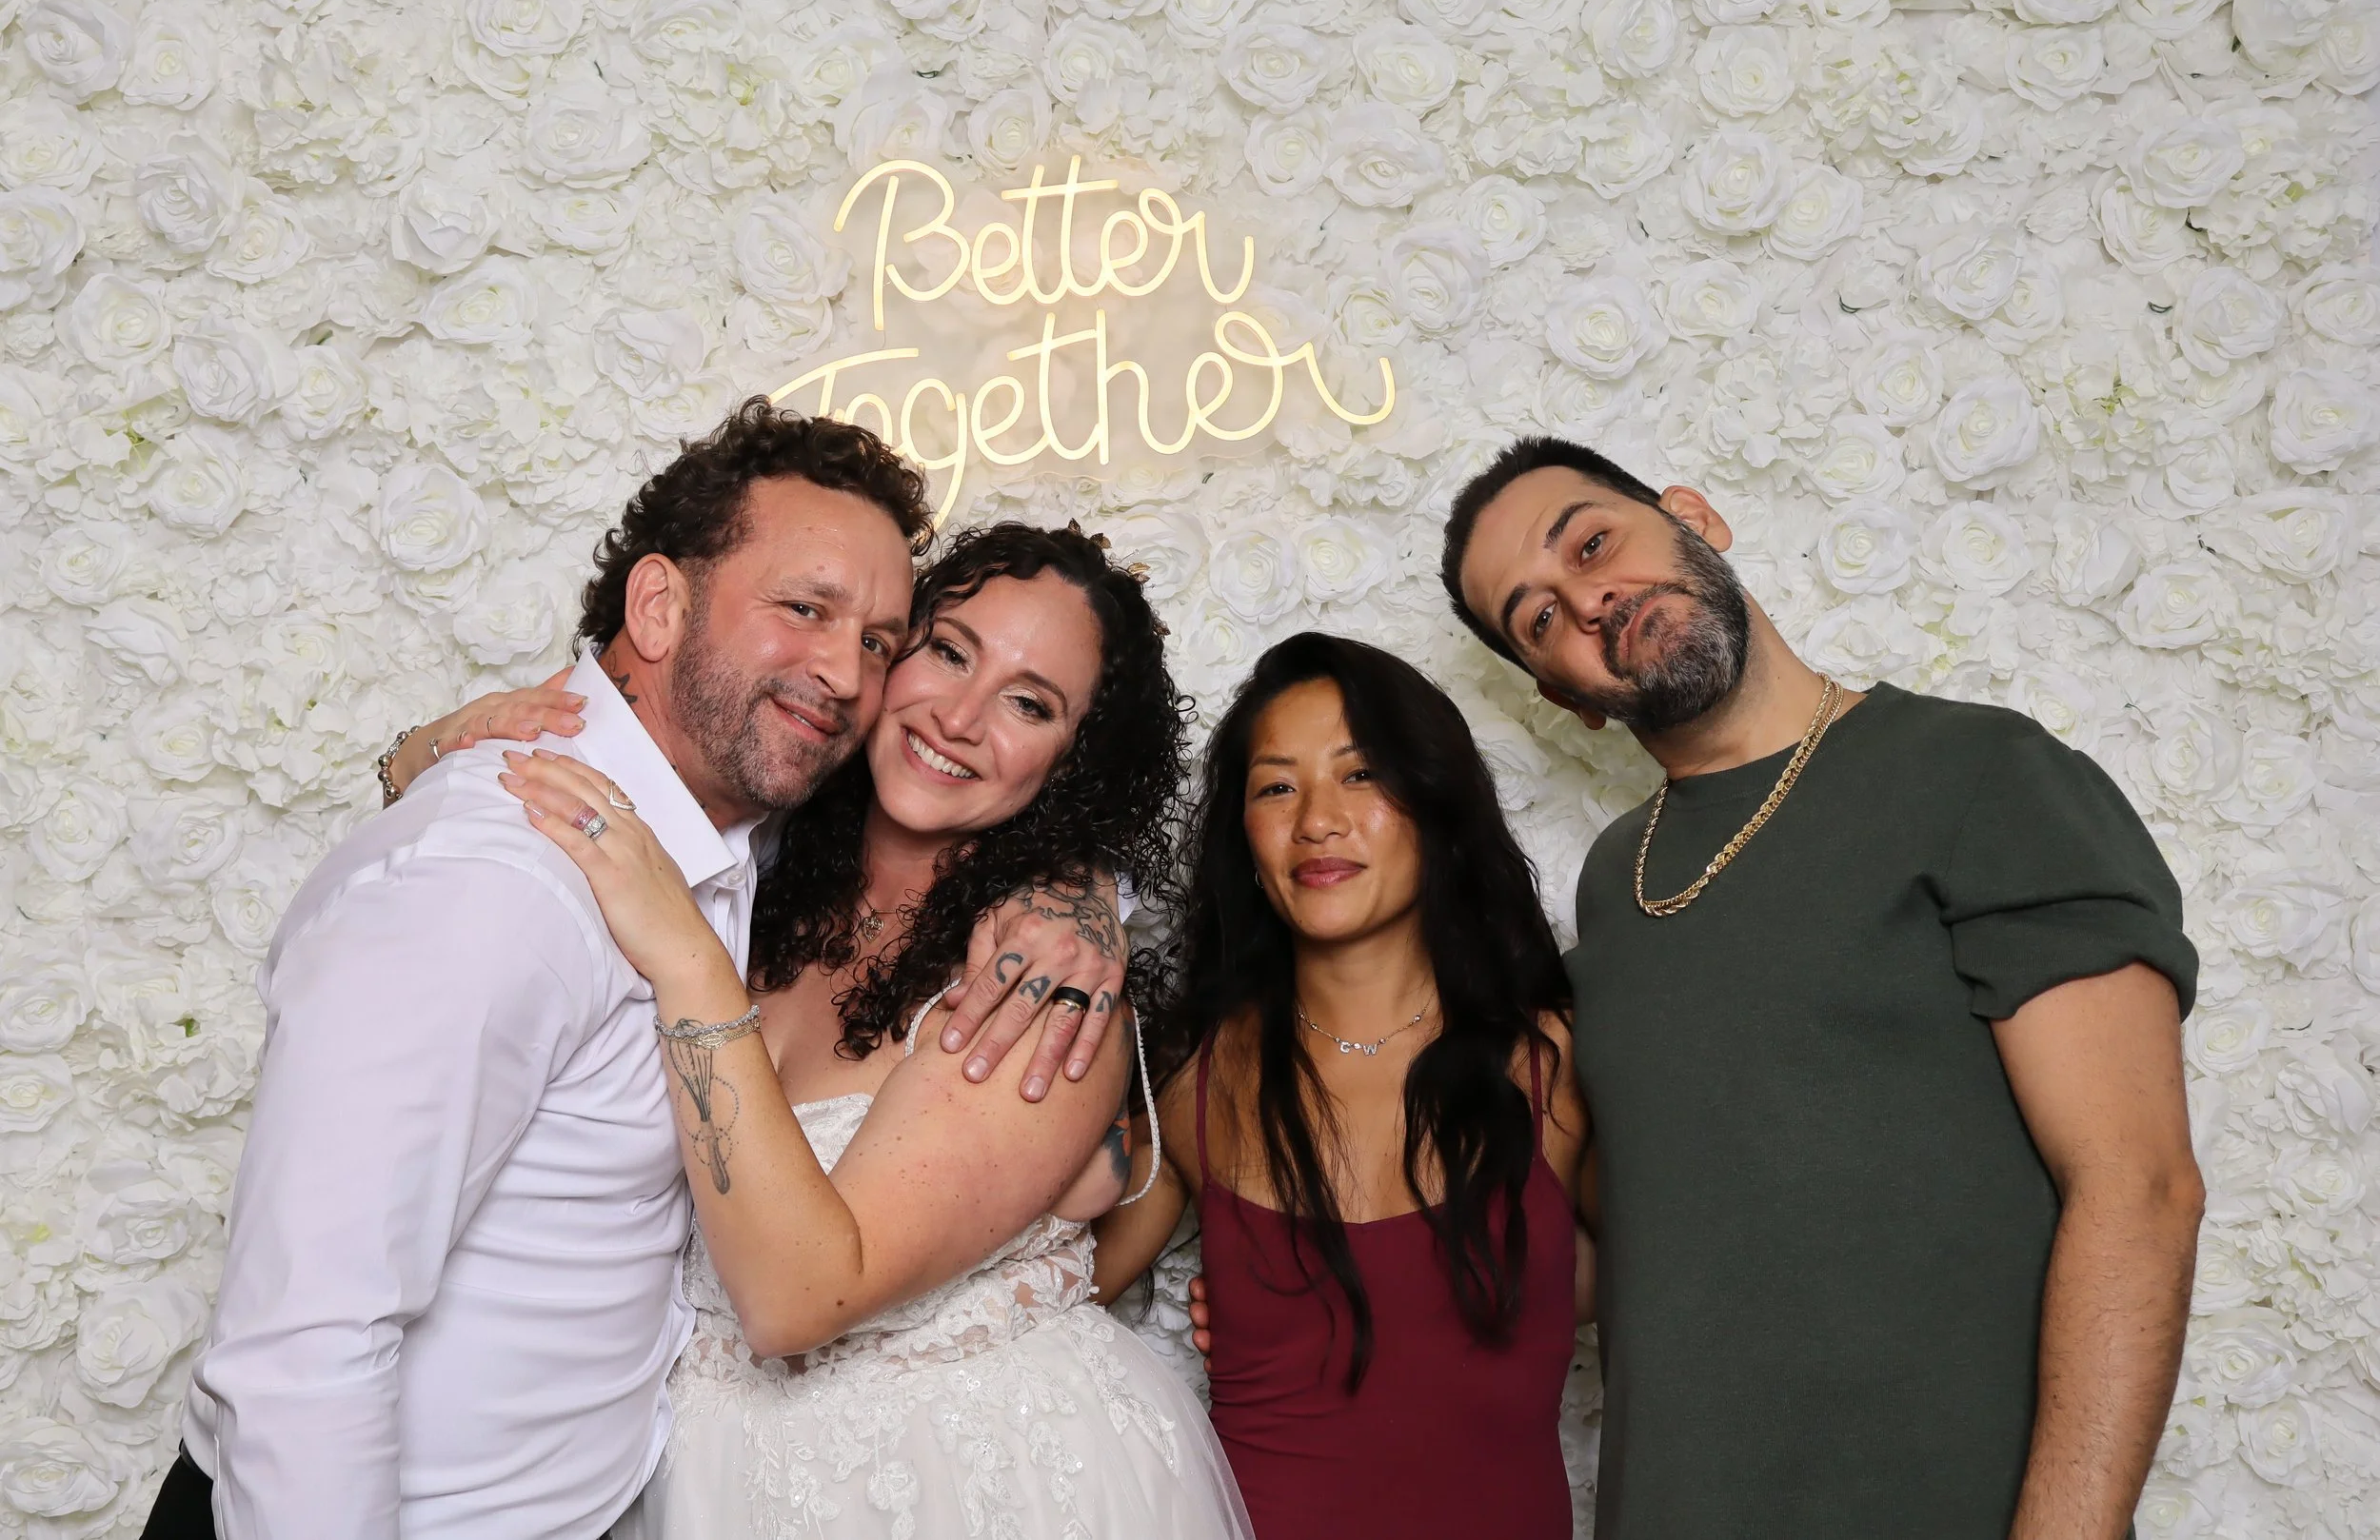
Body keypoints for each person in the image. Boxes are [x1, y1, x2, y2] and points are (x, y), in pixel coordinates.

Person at [147, 405, 1110, 1540]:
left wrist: (1080, 894)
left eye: (877, 641)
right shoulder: (496, 874)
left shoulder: (746, 843)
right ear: (657, 605)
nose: (847, 673)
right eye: (804, 608)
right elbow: (303, 1342)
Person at [1438, 434, 2204, 1538]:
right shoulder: (1616, 883)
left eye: (1593, 542)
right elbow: (1672, 1226)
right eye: (1541, 617)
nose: (1591, 598)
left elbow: (2138, 1188)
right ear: (1567, 699)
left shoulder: (1981, 772)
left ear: (1694, 517)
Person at [486, 523, 1253, 1540]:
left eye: (1030, 703)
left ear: (1071, 766)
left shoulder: (1037, 988)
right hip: (698, 1472)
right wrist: (436, 743)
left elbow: (798, 1297)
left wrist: (686, 960)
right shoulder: (748, 873)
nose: (961, 716)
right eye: (947, 650)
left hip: (966, 1488)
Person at [1093, 632, 1590, 1540]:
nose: (1317, 818)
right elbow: (1038, 1301)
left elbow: (1685, 1287)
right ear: (1243, 837)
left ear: (1436, 804)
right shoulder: (1196, 1078)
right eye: (1276, 786)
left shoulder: (1552, 1061)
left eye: (1360, 774)